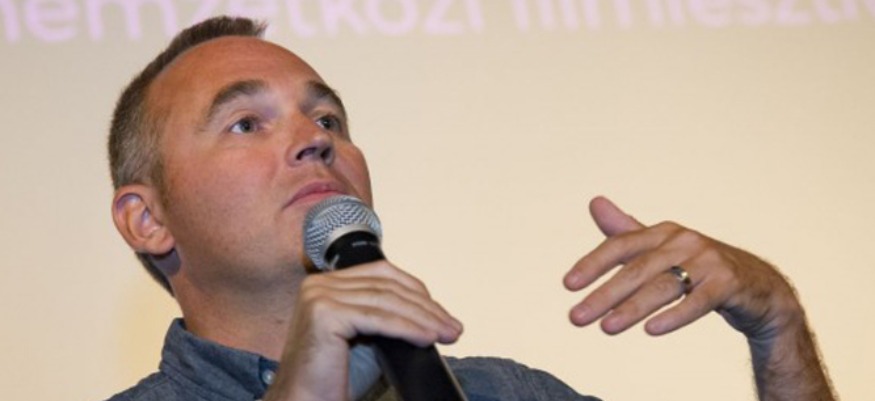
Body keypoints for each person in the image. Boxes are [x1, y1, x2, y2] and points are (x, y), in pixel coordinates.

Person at [106, 15, 836, 401]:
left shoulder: (508, 392)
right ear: (148, 219)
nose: (315, 140)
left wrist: (778, 325)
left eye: (328, 119)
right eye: (245, 124)